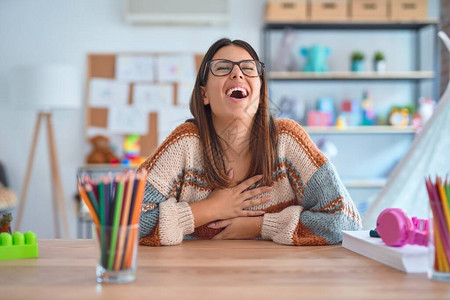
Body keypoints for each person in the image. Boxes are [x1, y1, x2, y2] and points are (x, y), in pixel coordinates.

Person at [138, 38, 361, 246]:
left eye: (248, 68)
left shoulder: (287, 140)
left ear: (261, 91)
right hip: (197, 280)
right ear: (204, 94)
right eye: (223, 67)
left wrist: (261, 226)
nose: (237, 73)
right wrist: (212, 208)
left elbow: (344, 220)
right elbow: (123, 219)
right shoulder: (185, 143)